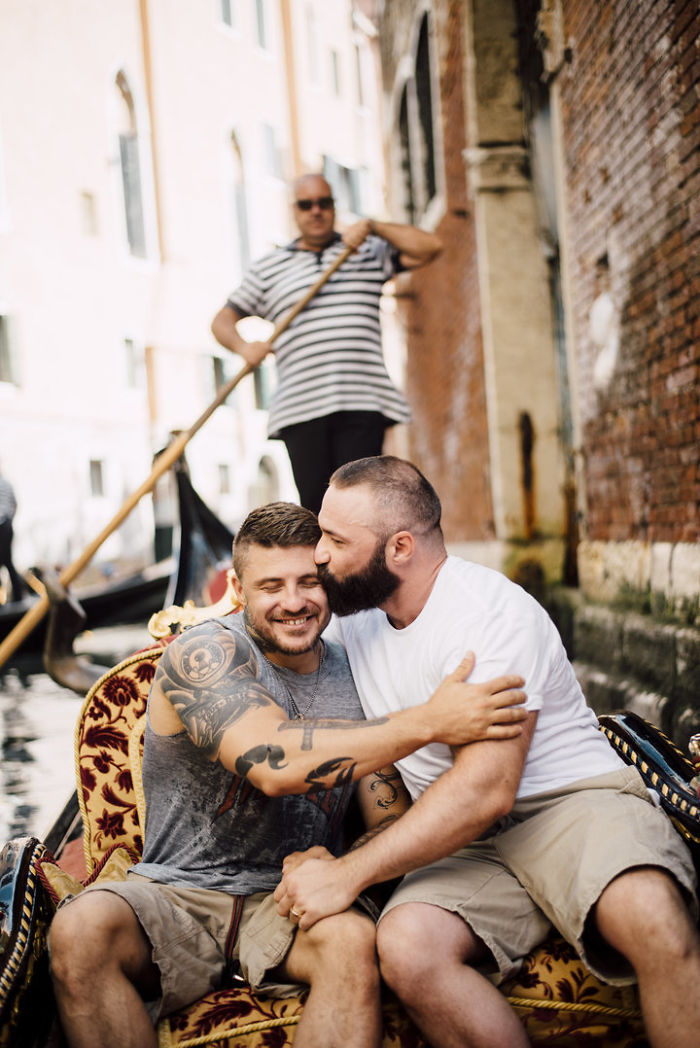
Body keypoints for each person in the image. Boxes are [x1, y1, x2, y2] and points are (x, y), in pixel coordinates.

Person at [48, 501, 528, 1048]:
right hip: (178, 894)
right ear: (237, 588)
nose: (294, 602)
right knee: (80, 930)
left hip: (290, 902)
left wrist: (345, 865)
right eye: (271, 586)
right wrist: (430, 720)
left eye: (309, 582)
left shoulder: (359, 674)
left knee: (350, 940)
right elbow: (270, 762)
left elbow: (389, 817)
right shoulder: (205, 652)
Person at [275, 456, 700, 1048]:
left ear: (400, 549)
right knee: (408, 946)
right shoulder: (357, 613)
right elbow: (269, 617)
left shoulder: (488, 618)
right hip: (464, 842)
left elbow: (486, 790)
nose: (319, 554)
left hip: (566, 806)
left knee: (650, 913)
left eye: (336, 541)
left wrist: (347, 874)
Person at [211, 173, 442, 514]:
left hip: (363, 398)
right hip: (300, 405)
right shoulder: (269, 268)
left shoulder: (367, 251)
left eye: (324, 202)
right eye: (306, 205)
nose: (316, 211)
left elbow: (431, 247)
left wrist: (375, 227)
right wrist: (245, 347)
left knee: (362, 506)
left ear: (334, 207)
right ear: (294, 211)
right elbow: (221, 322)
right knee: (317, 512)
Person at [0, 468, 25, 603]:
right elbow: (15, 505)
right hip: (8, 525)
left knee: (6, 561)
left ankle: (17, 595)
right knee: (8, 560)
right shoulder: (8, 483)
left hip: (2, 525)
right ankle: (17, 595)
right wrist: (10, 519)